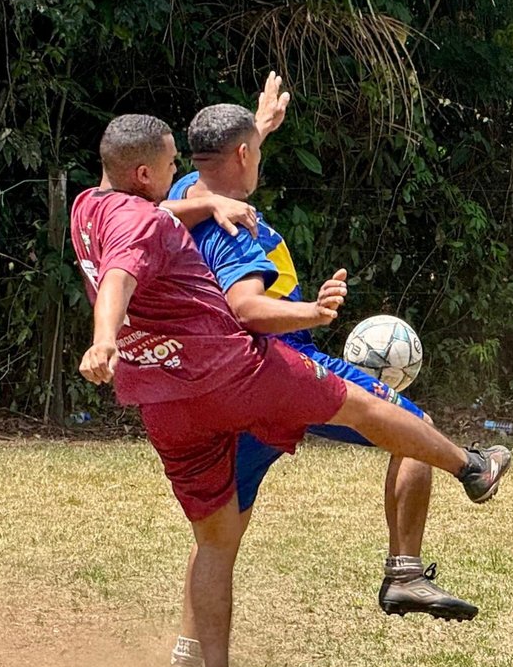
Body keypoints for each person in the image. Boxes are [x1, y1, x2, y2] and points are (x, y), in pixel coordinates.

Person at [72, 113, 513, 667]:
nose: (180, 174)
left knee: (216, 540)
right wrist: (313, 312)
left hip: (164, 401)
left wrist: (240, 152)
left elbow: (152, 221)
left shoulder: (95, 207)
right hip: (238, 373)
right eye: (171, 165)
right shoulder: (191, 221)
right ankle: (469, 470)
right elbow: (196, 293)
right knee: (372, 408)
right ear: (148, 173)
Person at [164, 78, 480, 631]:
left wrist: (258, 126)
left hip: (228, 385)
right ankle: (407, 566)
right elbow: (247, 307)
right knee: (414, 429)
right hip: (281, 365)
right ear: (242, 156)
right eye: (254, 152)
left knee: (219, 537)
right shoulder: (234, 226)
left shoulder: (195, 195)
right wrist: (314, 310)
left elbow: (214, 171)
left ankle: (188, 666)